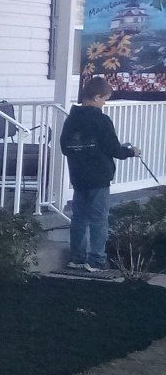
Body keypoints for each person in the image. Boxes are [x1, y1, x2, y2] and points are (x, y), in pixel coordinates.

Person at [60, 74, 138, 276]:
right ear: (96, 97)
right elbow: (114, 149)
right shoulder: (101, 120)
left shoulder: (72, 119)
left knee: (79, 218)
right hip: (99, 178)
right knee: (99, 219)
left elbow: (64, 147)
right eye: (104, 98)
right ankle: (96, 260)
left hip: (78, 176)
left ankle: (77, 259)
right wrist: (130, 151)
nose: (104, 103)